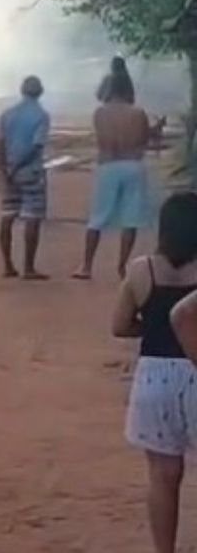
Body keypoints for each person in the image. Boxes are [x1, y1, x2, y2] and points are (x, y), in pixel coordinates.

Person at [116, 192, 197, 553]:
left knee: (163, 477)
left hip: (154, 376)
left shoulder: (140, 269)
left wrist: (150, 328)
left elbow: (119, 325)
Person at [77, 70, 156, 279]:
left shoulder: (100, 113)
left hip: (109, 165)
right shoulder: (138, 113)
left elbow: (103, 141)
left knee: (97, 217)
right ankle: (121, 267)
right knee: (131, 219)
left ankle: (86, 266)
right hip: (133, 165)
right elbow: (144, 141)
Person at [0, 75, 51, 279]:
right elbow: (36, 147)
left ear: (21, 90)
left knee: (7, 216)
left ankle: (7, 265)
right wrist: (17, 166)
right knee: (32, 218)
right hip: (30, 172)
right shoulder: (42, 116)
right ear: (41, 92)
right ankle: (28, 268)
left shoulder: (7, 114)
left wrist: (3, 169)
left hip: (9, 173)